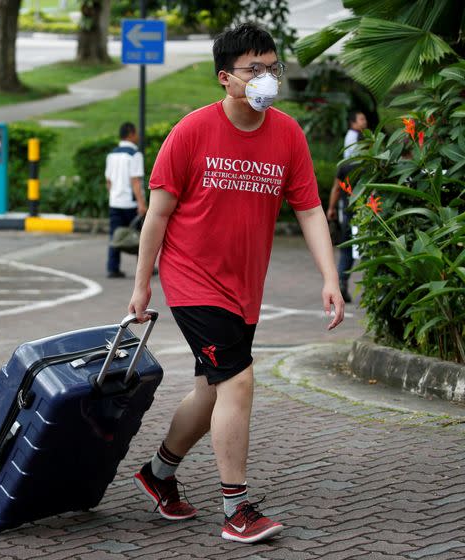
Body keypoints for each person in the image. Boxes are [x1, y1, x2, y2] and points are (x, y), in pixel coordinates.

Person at [128, 24, 345, 544]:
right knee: (240, 381)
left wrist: (330, 277)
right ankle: (236, 507)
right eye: (254, 69)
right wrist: (142, 285)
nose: (266, 77)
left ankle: (157, 475)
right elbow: (157, 216)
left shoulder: (287, 134)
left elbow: (310, 209)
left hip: (243, 287)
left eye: (272, 66)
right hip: (192, 278)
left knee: (213, 387)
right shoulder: (192, 131)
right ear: (226, 78)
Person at [327, 110, 368, 303]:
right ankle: (372, 285)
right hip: (367, 213)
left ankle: (342, 282)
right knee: (366, 249)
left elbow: (336, 189)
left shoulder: (345, 166)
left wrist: (331, 209)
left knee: (347, 249)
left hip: (348, 211)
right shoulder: (369, 166)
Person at [105, 122, 147, 278]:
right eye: (136, 132)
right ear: (130, 133)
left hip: (115, 202)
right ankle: (142, 270)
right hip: (131, 203)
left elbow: (108, 181)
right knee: (141, 236)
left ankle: (112, 267)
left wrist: (113, 195)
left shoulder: (112, 154)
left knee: (115, 236)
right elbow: (135, 181)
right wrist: (141, 203)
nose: (137, 136)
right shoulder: (135, 154)